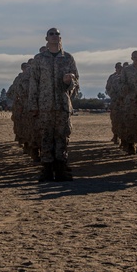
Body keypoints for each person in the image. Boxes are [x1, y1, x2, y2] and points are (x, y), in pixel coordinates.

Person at [27, 28, 79, 182]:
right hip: (45, 105)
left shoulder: (68, 58)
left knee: (62, 136)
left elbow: (76, 81)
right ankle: (47, 169)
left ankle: (61, 168)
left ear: (60, 38)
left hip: (62, 104)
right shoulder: (39, 59)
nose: (55, 36)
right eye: (51, 34)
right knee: (46, 137)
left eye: (57, 34)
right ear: (46, 38)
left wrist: (69, 82)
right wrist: (33, 105)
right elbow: (33, 83)